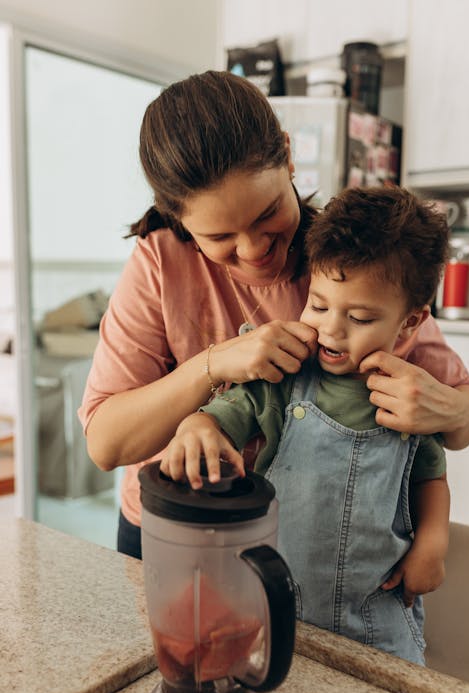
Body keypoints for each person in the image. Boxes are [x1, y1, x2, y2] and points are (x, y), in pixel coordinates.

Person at [78, 71, 469, 562]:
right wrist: (216, 364)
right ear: (178, 217)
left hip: (305, 545)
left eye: (267, 212)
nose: (253, 251)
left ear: (288, 156)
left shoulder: (348, 259)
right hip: (171, 531)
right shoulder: (160, 262)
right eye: (220, 238)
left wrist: (448, 409)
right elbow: (106, 444)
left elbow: (467, 418)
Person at [161, 185, 451, 665]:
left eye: (359, 317)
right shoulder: (284, 378)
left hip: (378, 621)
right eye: (318, 305)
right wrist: (198, 426)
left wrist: (433, 542)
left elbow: (430, 479)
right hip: (275, 610)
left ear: (410, 322)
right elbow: (220, 418)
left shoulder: (411, 395)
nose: (332, 329)